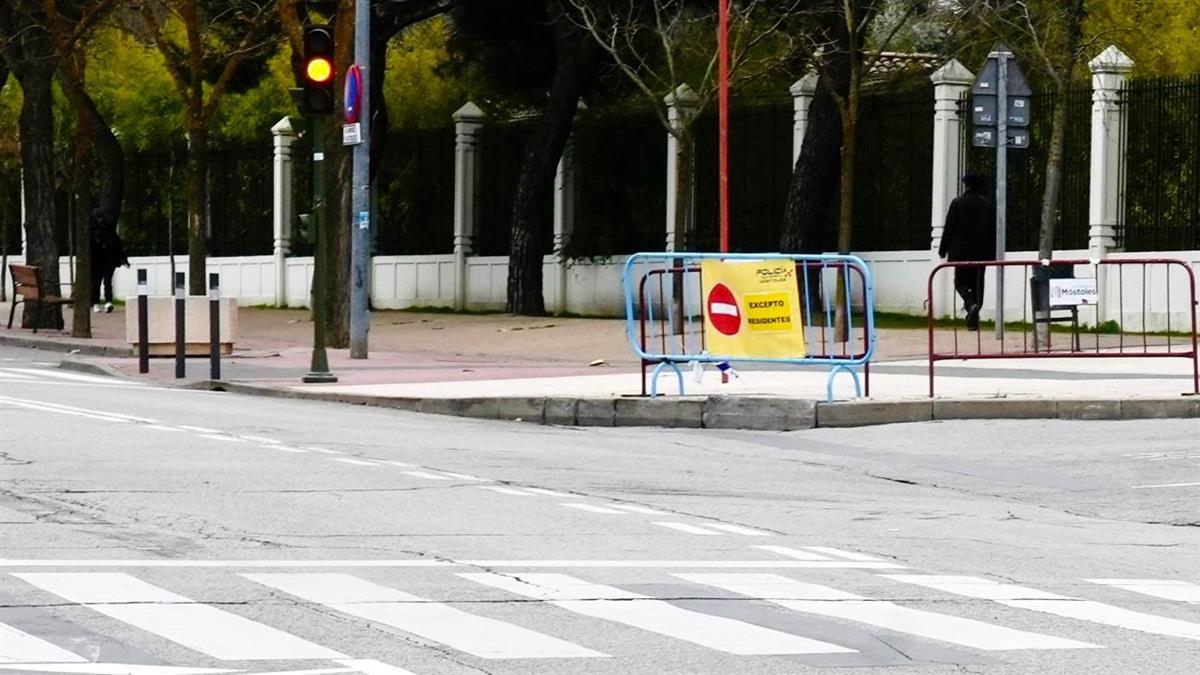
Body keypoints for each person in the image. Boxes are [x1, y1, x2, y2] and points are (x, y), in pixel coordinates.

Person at [938, 174, 996, 331]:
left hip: (961, 253)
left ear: (966, 185)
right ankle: (974, 317)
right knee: (978, 283)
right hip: (982, 254)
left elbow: (949, 228)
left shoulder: (957, 203)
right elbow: (993, 231)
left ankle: (970, 304)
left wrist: (942, 249)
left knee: (960, 283)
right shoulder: (988, 205)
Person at [89, 208, 129, 313]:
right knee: (100, 282)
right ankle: (98, 302)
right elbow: (118, 244)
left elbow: (117, 244)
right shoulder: (92, 231)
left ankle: (105, 302)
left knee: (104, 281)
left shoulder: (108, 230)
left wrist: (123, 258)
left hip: (106, 260)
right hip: (99, 260)